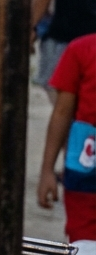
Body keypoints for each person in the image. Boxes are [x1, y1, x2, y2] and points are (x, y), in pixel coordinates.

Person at [38, 32, 96, 241]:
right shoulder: (80, 50)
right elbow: (62, 112)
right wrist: (47, 171)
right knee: (84, 241)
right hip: (86, 168)